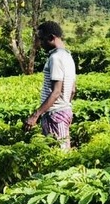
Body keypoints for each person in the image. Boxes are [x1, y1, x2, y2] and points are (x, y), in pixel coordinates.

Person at [23, 21, 77, 149]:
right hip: (64, 112)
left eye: (42, 39)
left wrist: (35, 116)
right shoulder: (68, 56)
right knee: (60, 152)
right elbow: (73, 90)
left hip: (55, 115)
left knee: (60, 156)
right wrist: (65, 107)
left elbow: (56, 92)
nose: (40, 44)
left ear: (52, 38)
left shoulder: (56, 58)